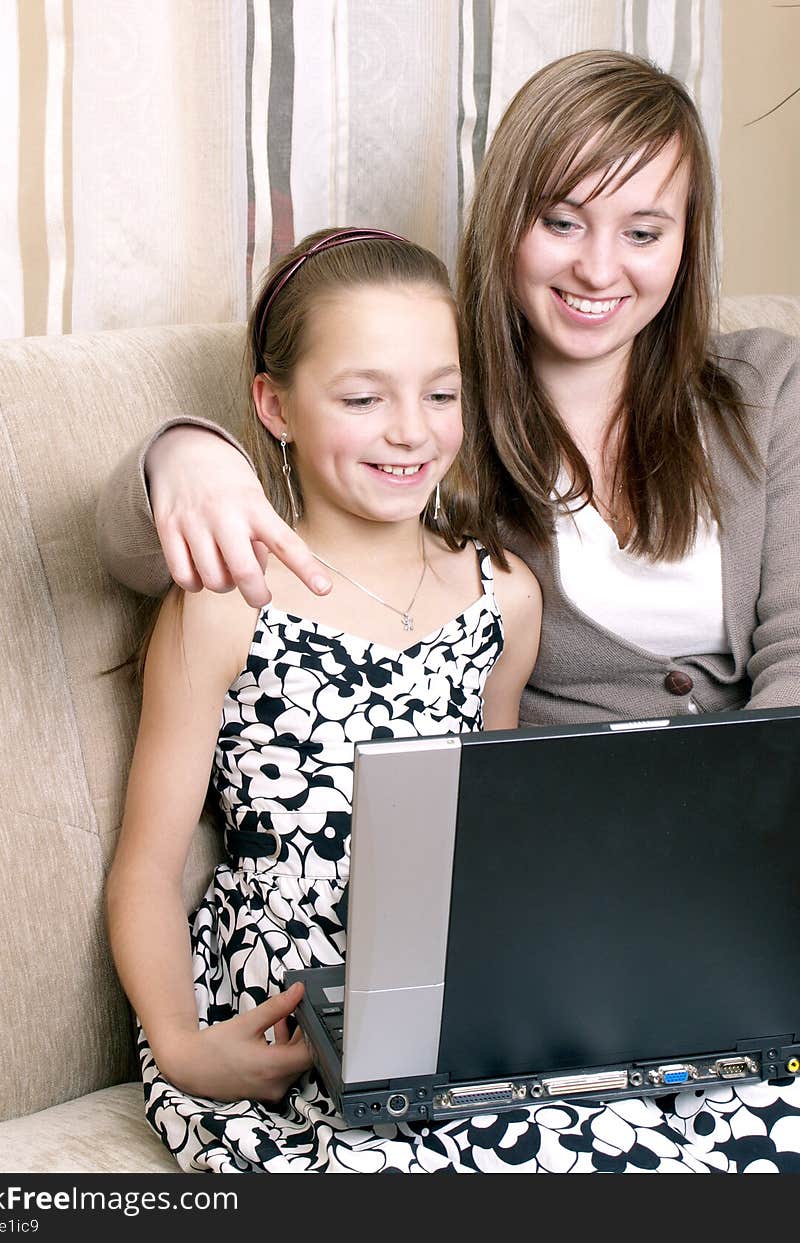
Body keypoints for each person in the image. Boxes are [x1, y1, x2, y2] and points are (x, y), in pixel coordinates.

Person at [99, 51, 800, 1171]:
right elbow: (171, 539)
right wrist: (183, 456)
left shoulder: (758, 391)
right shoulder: (448, 414)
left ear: (689, 239)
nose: (600, 268)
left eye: (645, 229)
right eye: (561, 219)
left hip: (720, 887)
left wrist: (751, 879)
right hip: (490, 930)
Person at [106, 226, 546, 1172]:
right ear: (275, 405)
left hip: (445, 999)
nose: (411, 430)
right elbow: (144, 868)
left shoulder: (503, 594)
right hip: (286, 1008)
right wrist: (183, 1046)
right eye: (362, 397)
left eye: (441, 394)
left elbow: (495, 850)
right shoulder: (228, 600)